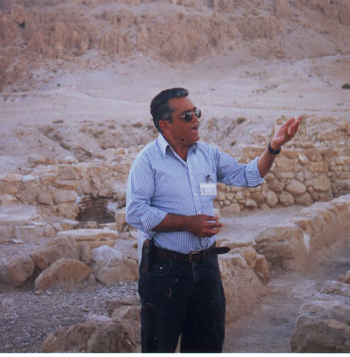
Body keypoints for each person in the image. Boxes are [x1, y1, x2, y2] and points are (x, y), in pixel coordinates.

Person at [126, 87, 301, 353]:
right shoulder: (147, 161)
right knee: (160, 348)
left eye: (196, 112)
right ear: (165, 125)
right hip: (165, 271)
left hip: (206, 267)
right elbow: (136, 212)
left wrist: (273, 147)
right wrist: (188, 223)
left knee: (207, 346)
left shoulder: (208, 154)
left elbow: (248, 175)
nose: (196, 119)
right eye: (187, 116)